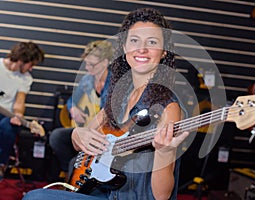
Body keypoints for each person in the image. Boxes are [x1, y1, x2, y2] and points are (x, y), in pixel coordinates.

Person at [23, 7, 190, 200]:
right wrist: (78, 134)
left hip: (130, 197)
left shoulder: (168, 107)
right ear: (125, 48)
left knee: (36, 197)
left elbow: (162, 196)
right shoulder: (121, 94)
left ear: (163, 52)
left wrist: (165, 151)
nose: (142, 49)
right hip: (104, 190)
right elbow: (87, 134)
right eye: (134, 40)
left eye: (152, 42)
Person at [49, 40, 113, 179]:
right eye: (86, 63)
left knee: (74, 163)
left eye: (91, 64)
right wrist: (73, 109)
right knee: (56, 136)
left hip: (103, 136)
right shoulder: (86, 79)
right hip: (86, 130)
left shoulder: (115, 83)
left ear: (105, 62)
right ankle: (68, 172)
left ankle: (75, 173)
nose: (87, 67)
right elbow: (71, 100)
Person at [0, 41, 44, 179]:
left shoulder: (25, 78)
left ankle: (1, 164)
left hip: (5, 116)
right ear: (22, 60)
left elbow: (19, 103)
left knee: (8, 126)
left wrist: (18, 116)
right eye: (31, 64)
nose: (31, 69)